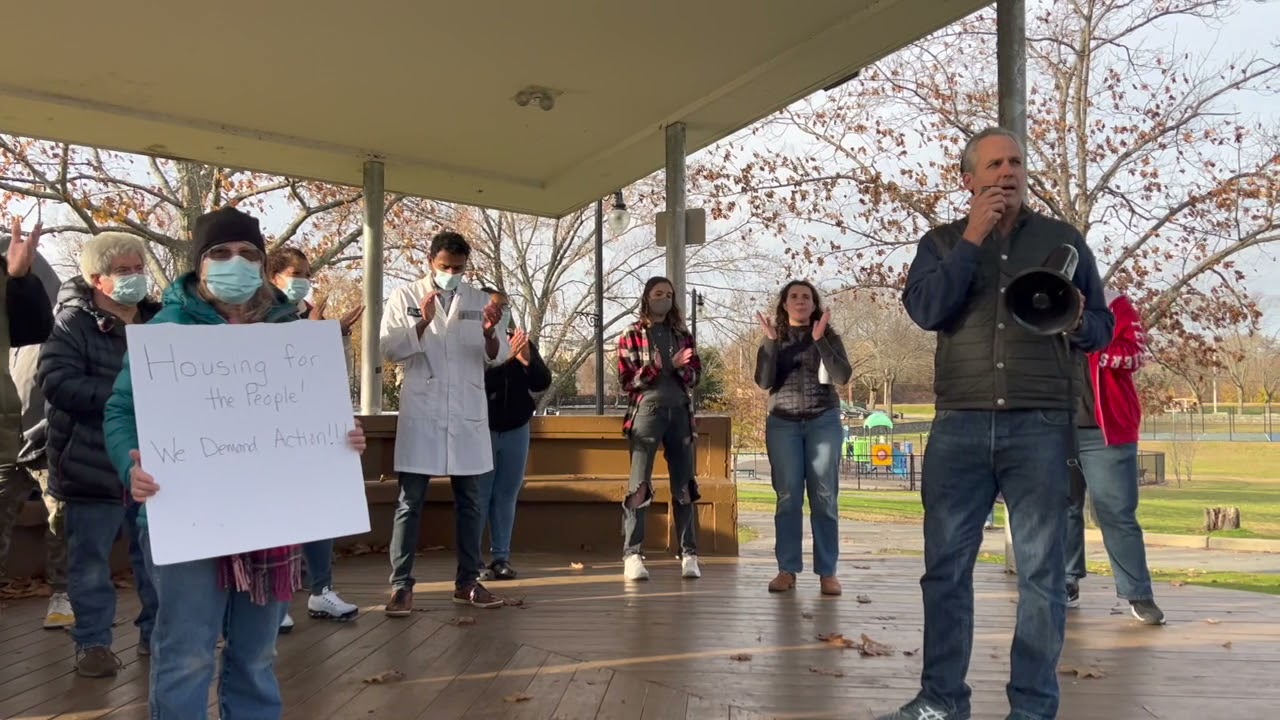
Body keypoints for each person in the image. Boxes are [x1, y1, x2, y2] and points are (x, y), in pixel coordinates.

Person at [879, 127, 1114, 720]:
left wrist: (1079, 318)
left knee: (1042, 575)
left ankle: (1033, 709)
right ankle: (940, 701)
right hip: (959, 424)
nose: (1007, 172)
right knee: (946, 571)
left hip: (1039, 425)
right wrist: (973, 238)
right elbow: (927, 310)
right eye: (994, 165)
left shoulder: (1064, 240)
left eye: (1015, 162)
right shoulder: (939, 242)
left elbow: (1103, 330)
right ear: (969, 180)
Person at [102, 206, 368, 717]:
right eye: (220, 253)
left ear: (263, 265)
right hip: (184, 516)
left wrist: (343, 438)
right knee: (186, 655)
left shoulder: (290, 332)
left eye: (248, 254)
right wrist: (128, 464)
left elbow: (313, 420)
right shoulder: (166, 330)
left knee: (257, 655)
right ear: (199, 264)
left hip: (270, 521)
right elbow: (120, 411)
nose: (235, 262)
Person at [37, 232, 161, 676]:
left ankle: (155, 634)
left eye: (138, 268)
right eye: (123, 271)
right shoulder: (71, 323)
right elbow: (55, 382)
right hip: (90, 462)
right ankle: (92, 643)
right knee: (89, 562)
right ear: (97, 279)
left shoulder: (161, 321)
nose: (135, 278)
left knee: (154, 558)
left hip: (150, 465)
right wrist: (125, 399)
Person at [379, 231, 508, 615]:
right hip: (424, 409)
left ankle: (468, 581)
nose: (451, 273)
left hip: (465, 411)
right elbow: (388, 348)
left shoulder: (480, 301)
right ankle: (401, 586)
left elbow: (496, 356)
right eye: (444, 267)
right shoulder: (405, 297)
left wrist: (488, 334)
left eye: (458, 268)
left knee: (470, 502)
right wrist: (421, 325)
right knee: (409, 503)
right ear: (429, 261)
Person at [265, 247, 362, 631]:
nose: (305, 278)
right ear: (274, 276)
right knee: (281, 515)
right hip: (272, 435)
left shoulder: (306, 315)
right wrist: (316, 332)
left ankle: (322, 590)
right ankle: (278, 598)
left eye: (308, 272)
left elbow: (324, 374)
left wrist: (333, 335)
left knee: (319, 512)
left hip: (312, 431)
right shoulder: (256, 314)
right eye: (296, 272)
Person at [1065, 289, 1164, 625]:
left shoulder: (1113, 304)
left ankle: (1138, 593)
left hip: (1105, 431)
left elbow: (1136, 354)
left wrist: (1090, 340)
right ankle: (1067, 581)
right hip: (1053, 429)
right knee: (1061, 508)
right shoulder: (1037, 299)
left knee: (1115, 513)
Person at [754, 280, 852, 596]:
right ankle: (787, 570)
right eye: (794, 296)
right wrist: (770, 343)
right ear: (784, 304)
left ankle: (827, 572)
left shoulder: (829, 336)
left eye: (806, 297)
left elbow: (842, 376)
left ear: (814, 304)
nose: (800, 301)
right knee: (788, 497)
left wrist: (820, 340)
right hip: (783, 424)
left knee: (824, 497)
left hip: (823, 420)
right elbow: (764, 380)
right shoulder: (774, 339)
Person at [0, 233, 68, 630]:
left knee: (62, 520)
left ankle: (63, 593)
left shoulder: (61, 320)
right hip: (8, 439)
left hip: (47, 441)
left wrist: (45, 427)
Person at [616, 276, 702, 582]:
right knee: (639, 483)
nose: (663, 298)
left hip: (680, 411)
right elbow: (627, 381)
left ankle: (689, 553)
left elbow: (695, 378)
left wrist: (680, 367)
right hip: (646, 412)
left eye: (668, 294)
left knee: (685, 484)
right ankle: (632, 554)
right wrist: (657, 367)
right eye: (658, 293)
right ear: (646, 297)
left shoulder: (683, 334)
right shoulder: (631, 333)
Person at [476, 288, 551, 581]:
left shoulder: (519, 340)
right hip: (481, 429)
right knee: (479, 495)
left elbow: (542, 382)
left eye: (505, 307)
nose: (502, 312)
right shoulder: (472, 342)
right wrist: (502, 360)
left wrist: (526, 359)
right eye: (496, 307)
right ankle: (473, 560)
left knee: (506, 494)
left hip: (517, 428)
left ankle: (500, 557)